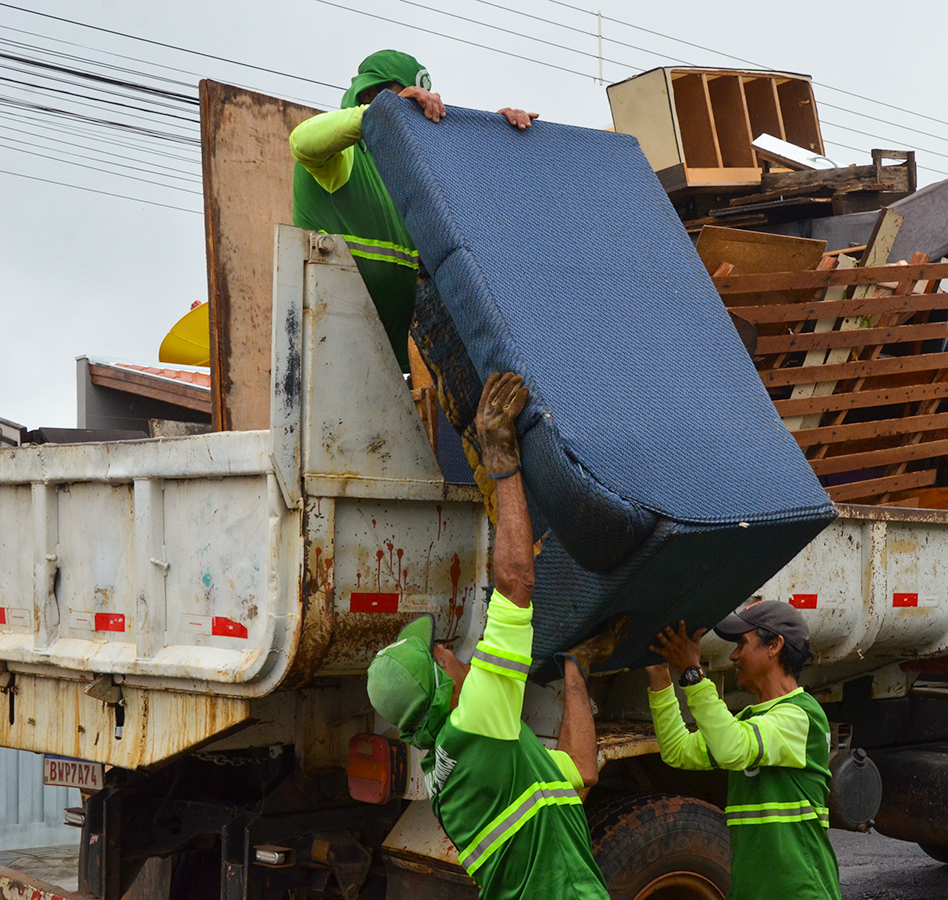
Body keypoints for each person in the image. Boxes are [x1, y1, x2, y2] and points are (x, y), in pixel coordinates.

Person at [366, 371, 612, 900]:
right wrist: (502, 461)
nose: (455, 654)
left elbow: (581, 772)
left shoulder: (456, 762)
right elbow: (517, 583)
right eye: (442, 654)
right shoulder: (476, 718)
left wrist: (576, 670)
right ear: (442, 684)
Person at [290, 50, 537, 371]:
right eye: (411, 102)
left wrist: (493, 136)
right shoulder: (342, 157)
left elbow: (477, 198)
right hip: (327, 344)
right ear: (370, 95)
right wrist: (382, 113)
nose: (419, 114)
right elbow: (301, 141)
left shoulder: (410, 172)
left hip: (392, 359)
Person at [647, 604, 840, 900]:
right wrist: (659, 675)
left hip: (799, 892)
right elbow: (678, 750)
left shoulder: (800, 716)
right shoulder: (751, 720)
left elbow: (730, 749)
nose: (733, 656)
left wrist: (692, 674)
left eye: (742, 644)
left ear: (774, 646)